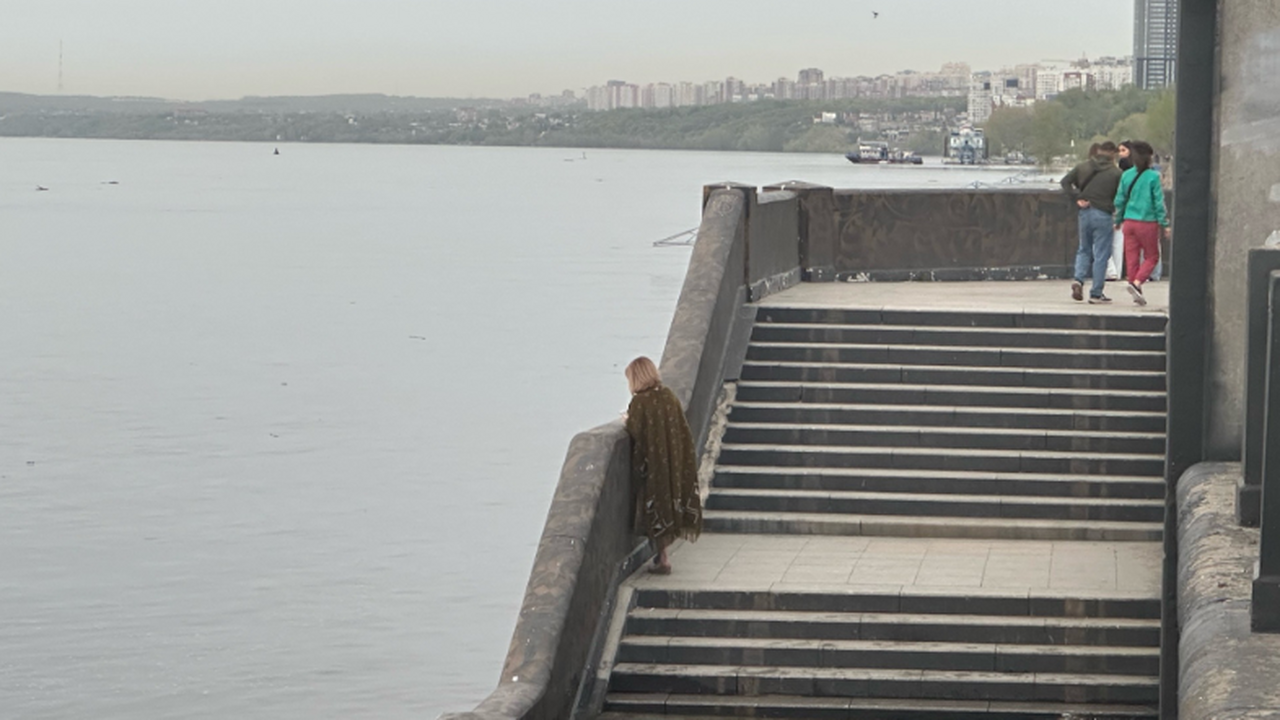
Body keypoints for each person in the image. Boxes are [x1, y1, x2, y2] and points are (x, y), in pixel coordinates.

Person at [624, 356, 701, 574]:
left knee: (654, 510)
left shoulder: (640, 402)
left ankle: (662, 558)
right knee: (668, 506)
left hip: (654, 468)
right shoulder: (668, 395)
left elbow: (636, 430)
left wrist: (627, 421)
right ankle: (663, 556)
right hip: (673, 463)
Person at [1061, 141, 1123, 303]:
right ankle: (1096, 293)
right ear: (1113, 154)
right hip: (1103, 214)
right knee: (1101, 254)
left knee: (1084, 249)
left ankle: (1078, 279)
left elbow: (1065, 182)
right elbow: (1120, 196)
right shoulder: (1116, 173)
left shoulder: (1083, 167)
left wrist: (1076, 197)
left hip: (1084, 212)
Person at [1113, 141, 1170, 306]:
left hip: (1129, 222)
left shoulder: (1126, 175)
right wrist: (1164, 224)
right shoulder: (1153, 176)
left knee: (1132, 257)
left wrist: (1118, 220)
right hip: (1147, 222)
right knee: (1152, 256)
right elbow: (1158, 203)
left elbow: (1120, 200)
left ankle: (1135, 288)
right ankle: (1137, 283)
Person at [1106, 141, 1137, 279]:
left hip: (1121, 210)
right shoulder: (1143, 172)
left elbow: (1119, 195)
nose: (1120, 153)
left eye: (1123, 150)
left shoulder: (1122, 172)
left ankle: (1115, 272)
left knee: (1112, 242)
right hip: (1136, 210)